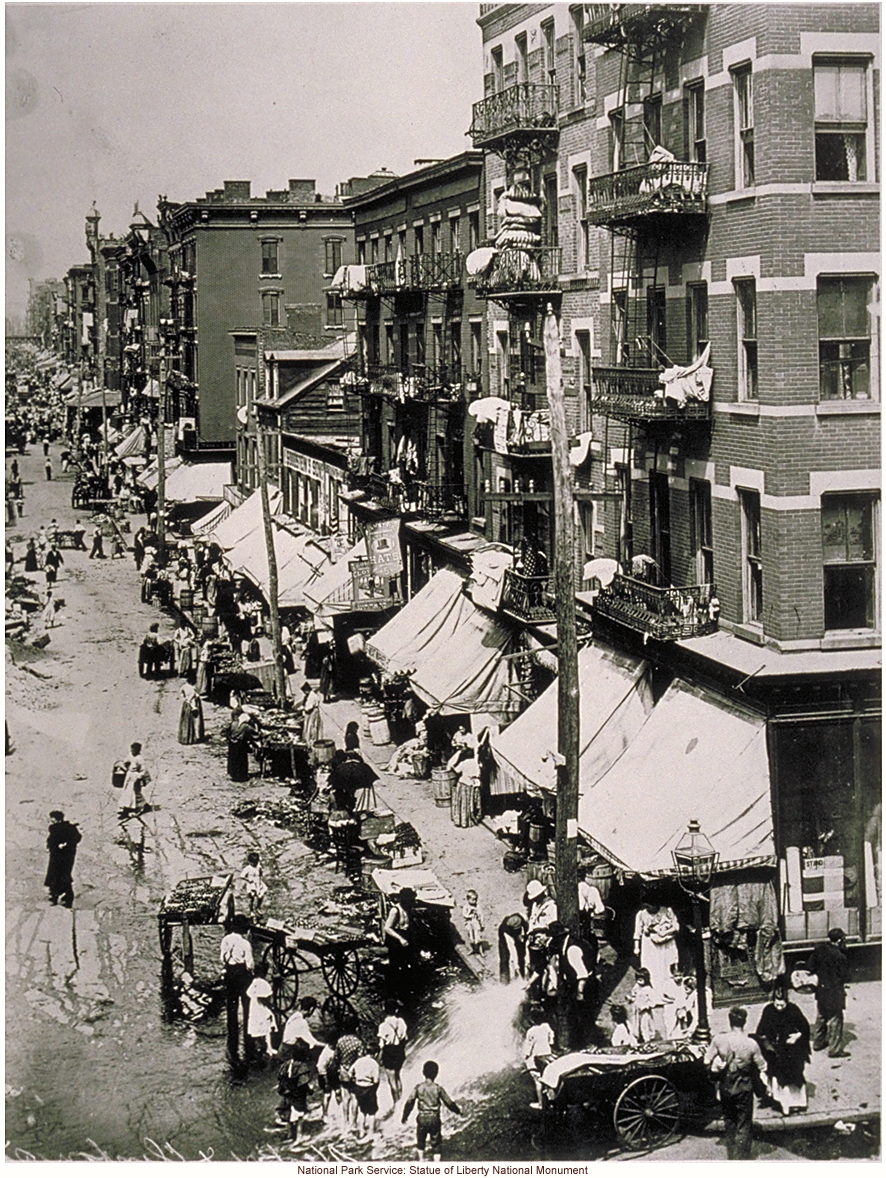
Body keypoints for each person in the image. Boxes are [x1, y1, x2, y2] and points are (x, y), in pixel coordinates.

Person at [704, 1006, 766, 1161]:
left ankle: (732, 1155)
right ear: (744, 1022)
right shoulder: (751, 1043)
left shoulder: (718, 1039)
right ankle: (741, 1157)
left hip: (726, 1087)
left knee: (729, 1121)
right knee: (744, 1123)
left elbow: (706, 1060)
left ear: (729, 1021)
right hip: (744, 1087)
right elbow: (762, 1067)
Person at [755, 983, 811, 1115]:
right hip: (775, 1050)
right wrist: (767, 1044)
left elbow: (805, 1027)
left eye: (782, 1005)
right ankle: (783, 1102)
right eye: (777, 1005)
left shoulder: (793, 1010)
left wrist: (797, 1036)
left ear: (787, 1002)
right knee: (779, 1076)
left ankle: (798, 1102)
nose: (779, 1008)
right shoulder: (768, 1010)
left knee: (794, 1074)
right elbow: (761, 1031)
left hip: (792, 1049)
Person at [401, 1060, 461, 1162]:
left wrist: (405, 1116)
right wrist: (457, 1111)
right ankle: (436, 1164)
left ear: (423, 1072)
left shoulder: (419, 1087)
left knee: (421, 1141)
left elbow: (409, 1102)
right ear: (436, 1073)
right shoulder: (438, 1088)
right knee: (436, 1143)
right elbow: (449, 1103)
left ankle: (421, 1161)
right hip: (434, 1118)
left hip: (422, 1118)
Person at [806, 928, 850, 1058]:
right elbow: (845, 977)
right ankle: (835, 1050)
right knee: (836, 1019)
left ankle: (818, 1043)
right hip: (835, 992)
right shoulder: (840, 956)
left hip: (821, 990)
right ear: (840, 940)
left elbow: (810, 966)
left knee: (821, 1016)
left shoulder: (820, 950)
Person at [220, 913, 254, 1063]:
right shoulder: (245, 944)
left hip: (230, 974)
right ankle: (248, 1034)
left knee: (231, 1005)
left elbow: (222, 958)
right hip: (242, 975)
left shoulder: (226, 940)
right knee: (247, 1004)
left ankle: (232, 1035)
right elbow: (250, 964)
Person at [633, 899, 679, 993]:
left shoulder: (667, 911)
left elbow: (676, 926)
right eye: (646, 906)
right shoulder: (641, 914)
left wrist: (664, 933)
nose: (649, 908)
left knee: (667, 966)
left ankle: (669, 992)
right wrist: (636, 947)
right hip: (650, 945)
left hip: (666, 943)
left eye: (650, 905)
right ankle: (653, 992)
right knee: (652, 967)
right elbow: (637, 932)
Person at [277, 1038, 314, 1145]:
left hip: (287, 1093)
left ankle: (290, 1134)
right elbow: (303, 1083)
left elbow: (280, 1077)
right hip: (297, 1095)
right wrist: (309, 1090)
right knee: (299, 1118)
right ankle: (299, 1137)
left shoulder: (286, 1065)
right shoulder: (302, 1067)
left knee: (291, 1114)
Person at [331, 1017, 365, 1131]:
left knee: (346, 1098)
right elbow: (361, 1058)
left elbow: (336, 1057)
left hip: (343, 1071)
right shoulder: (358, 1042)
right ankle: (354, 1123)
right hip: (355, 1071)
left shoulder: (340, 1041)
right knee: (354, 1097)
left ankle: (346, 1121)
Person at [44, 810, 82, 907]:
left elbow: (77, 838)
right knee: (54, 874)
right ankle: (54, 895)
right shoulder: (53, 828)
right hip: (55, 856)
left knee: (64, 874)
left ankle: (67, 897)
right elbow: (51, 840)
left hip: (66, 856)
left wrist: (66, 844)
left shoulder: (69, 828)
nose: (50, 820)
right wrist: (50, 846)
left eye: (52, 818)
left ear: (57, 818)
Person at [384, 886, 416, 991]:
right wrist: (400, 939)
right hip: (395, 940)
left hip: (405, 937)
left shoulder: (408, 909)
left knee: (408, 963)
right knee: (396, 965)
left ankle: (407, 986)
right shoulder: (395, 910)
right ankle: (394, 988)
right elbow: (387, 928)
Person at [522, 1011, 556, 1109]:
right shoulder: (546, 1026)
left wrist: (525, 1056)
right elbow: (552, 1035)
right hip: (547, 1054)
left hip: (536, 1056)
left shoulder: (531, 1031)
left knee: (538, 1080)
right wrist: (550, 1043)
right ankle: (551, 1099)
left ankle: (541, 1103)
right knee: (548, 1076)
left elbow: (528, 1047)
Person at [377, 998, 408, 1102]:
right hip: (400, 1051)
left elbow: (381, 1044)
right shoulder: (401, 1022)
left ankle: (396, 1103)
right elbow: (405, 1038)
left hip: (389, 1052)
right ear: (396, 1010)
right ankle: (401, 1099)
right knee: (398, 1076)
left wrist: (379, 1058)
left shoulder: (383, 1026)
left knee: (391, 1080)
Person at [245, 961, 277, 1060]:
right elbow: (267, 996)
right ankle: (269, 1048)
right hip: (262, 1009)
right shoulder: (264, 983)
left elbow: (248, 993)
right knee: (267, 1029)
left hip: (254, 1008)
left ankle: (258, 1048)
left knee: (256, 1028)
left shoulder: (254, 982)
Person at [628, 967, 666, 1043]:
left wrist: (645, 1007)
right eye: (638, 980)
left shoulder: (648, 989)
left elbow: (653, 1002)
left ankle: (647, 1040)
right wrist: (631, 999)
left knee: (645, 1026)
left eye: (641, 980)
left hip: (645, 1012)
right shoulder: (637, 987)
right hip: (637, 1011)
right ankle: (639, 1039)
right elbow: (634, 996)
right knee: (636, 1025)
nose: (639, 982)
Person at [352, 1051, 381, 1142]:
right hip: (368, 1088)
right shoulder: (374, 1063)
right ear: (375, 1054)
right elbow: (376, 1080)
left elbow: (350, 1072)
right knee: (371, 1112)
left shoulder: (358, 1061)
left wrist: (355, 1079)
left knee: (362, 1111)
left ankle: (361, 1132)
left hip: (358, 1087)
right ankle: (370, 1134)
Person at [225, 709, 258, 783]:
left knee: (233, 760)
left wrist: (229, 738)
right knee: (242, 761)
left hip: (232, 745)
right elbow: (255, 734)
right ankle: (241, 776)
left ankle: (233, 775)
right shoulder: (246, 726)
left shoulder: (233, 724)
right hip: (241, 745)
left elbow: (225, 731)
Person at [577, 866, 607, 942]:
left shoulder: (577, 890)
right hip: (588, 921)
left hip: (580, 921)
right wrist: (593, 912)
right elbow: (600, 908)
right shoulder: (592, 890)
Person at [121, 742, 151, 814]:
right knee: (127, 791)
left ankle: (129, 807)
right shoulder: (130, 755)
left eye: (135, 750)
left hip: (135, 776)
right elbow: (126, 761)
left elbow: (143, 770)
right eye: (132, 749)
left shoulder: (140, 759)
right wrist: (125, 764)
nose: (133, 751)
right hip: (129, 776)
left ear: (138, 750)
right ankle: (128, 806)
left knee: (134, 792)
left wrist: (139, 777)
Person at [498, 912, 527, 984]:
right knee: (504, 957)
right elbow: (512, 949)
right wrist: (516, 967)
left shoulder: (522, 920)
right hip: (504, 940)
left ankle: (523, 974)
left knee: (521, 953)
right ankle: (504, 979)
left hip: (518, 936)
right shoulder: (505, 930)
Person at [178, 680, 205, 745]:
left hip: (186, 705)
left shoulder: (183, 686)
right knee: (193, 721)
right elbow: (192, 698)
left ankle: (184, 738)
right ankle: (193, 738)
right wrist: (193, 706)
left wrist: (185, 699)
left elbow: (182, 695)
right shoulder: (192, 689)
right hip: (192, 705)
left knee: (185, 721)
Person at [241, 851, 267, 916]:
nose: (255, 864)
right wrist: (248, 880)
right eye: (253, 863)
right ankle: (251, 910)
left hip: (258, 883)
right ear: (250, 862)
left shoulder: (258, 867)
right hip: (252, 884)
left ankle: (258, 907)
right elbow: (242, 876)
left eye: (256, 862)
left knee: (261, 896)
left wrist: (260, 880)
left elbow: (260, 873)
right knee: (251, 898)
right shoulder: (248, 868)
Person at [301, 682, 324, 753]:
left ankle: (311, 745)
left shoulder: (312, 696)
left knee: (312, 728)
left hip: (312, 714)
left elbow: (309, 707)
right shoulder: (310, 695)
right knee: (310, 728)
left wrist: (303, 708)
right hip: (312, 713)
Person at [462, 889, 485, 956]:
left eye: (475, 900)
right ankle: (472, 949)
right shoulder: (466, 907)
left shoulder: (477, 907)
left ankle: (481, 951)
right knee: (471, 937)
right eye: (472, 900)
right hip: (469, 923)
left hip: (476, 923)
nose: (474, 901)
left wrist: (482, 922)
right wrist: (470, 914)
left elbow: (481, 915)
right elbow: (464, 915)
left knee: (478, 937)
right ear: (468, 899)